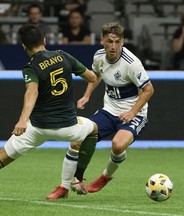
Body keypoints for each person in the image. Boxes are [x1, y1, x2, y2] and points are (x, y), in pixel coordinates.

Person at [0, 23, 98, 202]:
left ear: (24, 46)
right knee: (93, 129)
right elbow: (92, 77)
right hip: (69, 127)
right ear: (44, 40)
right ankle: (78, 178)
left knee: (0, 158)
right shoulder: (63, 55)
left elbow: (31, 91)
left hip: (37, 128)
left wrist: (22, 121)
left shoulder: (31, 67)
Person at [68, 22, 154, 195]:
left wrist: (132, 112)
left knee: (117, 145)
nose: (113, 46)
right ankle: (77, 179)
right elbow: (96, 75)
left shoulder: (132, 63)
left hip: (134, 114)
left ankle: (106, 176)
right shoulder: (99, 56)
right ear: (102, 41)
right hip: (109, 110)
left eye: (117, 42)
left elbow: (148, 90)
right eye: (109, 41)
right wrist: (86, 96)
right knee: (80, 137)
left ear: (122, 42)